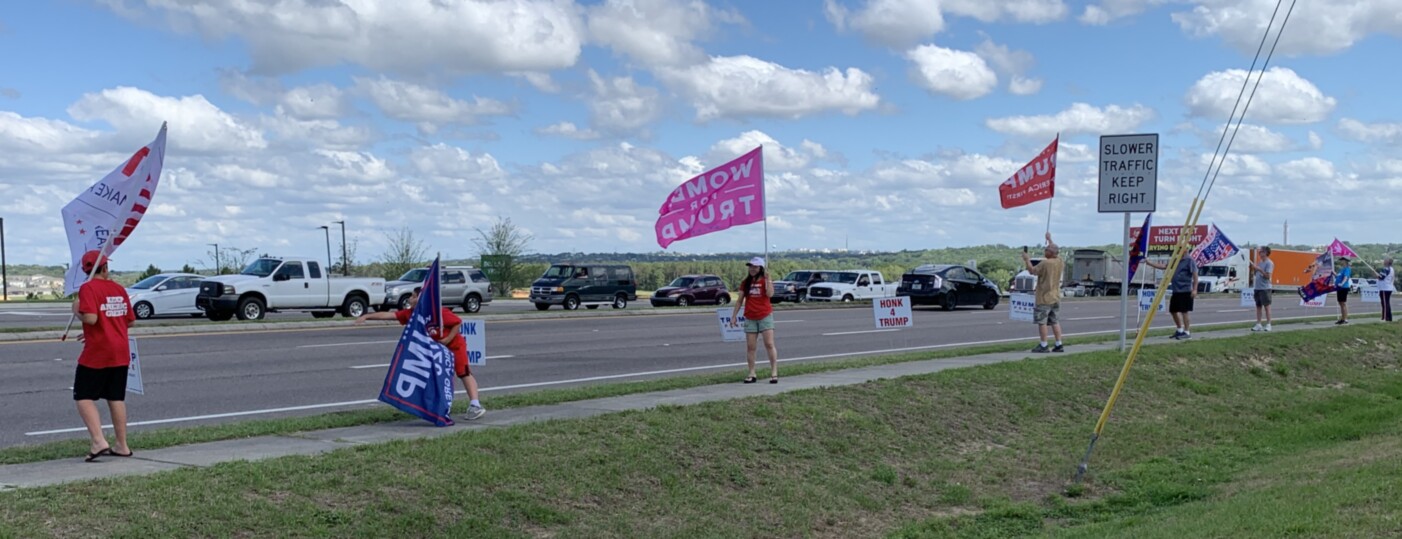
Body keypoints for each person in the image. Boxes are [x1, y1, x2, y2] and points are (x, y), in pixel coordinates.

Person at [356, 287, 485, 420]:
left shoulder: (437, 312)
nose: (410, 299)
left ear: (421, 298)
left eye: (413, 296)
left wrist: (447, 340)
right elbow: (390, 315)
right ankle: (436, 406)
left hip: (454, 346)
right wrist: (367, 316)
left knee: (463, 372)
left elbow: (457, 322)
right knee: (434, 376)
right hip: (435, 351)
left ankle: (475, 405)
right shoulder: (412, 313)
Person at [72, 250, 137, 462]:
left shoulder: (88, 288)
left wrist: (76, 311)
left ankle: (99, 440)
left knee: (83, 395)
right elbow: (129, 320)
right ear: (105, 267)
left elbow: (90, 318)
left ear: (85, 270)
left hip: (98, 351)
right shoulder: (118, 288)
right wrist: (95, 329)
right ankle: (122, 444)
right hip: (120, 349)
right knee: (115, 396)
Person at [730, 257, 778, 383]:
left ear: (760, 268)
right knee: (751, 347)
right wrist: (734, 316)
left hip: (765, 315)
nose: (752, 269)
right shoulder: (745, 282)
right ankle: (752, 373)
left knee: (769, 344)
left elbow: (770, 295)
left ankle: (774, 372)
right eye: (750, 266)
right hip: (750, 316)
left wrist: (769, 281)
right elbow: (740, 300)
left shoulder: (765, 280)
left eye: (755, 267)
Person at [1022, 232, 1065, 353]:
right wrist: (1050, 239)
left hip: (1044, 298)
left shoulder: (1045, 263)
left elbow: (1031, 271)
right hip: (1055, 296)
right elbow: (1055, 249)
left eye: (1046, 250)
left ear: (1050, 253)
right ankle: (1058, 343)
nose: (1044, 251)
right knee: (1055, 321)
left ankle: (1044, 344)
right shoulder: (1060, 261)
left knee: (1042, 322)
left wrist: (1027, 259)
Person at [1145, 255, 1198, 339]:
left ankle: (1187, 332)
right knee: (1173, 310)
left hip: (1185, 289)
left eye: (1181, 248)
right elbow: (1165, 266)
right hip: (1176, 289)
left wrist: (1195, 289)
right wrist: (1149, 263)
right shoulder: (1176, 260)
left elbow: (1195, 275)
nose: (1178, 250)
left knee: (1184, 311)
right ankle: (1179, 330)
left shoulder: (1189, 260)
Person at [1250, 247, 1274, 332]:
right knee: (1258, 306)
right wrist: (1255, 269)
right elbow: (1257, 274)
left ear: (1266, 252)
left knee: (1267, 307)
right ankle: (1258, 324)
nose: (1260, 253)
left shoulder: (1269, 263)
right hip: (1258, 287)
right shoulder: (1260, 262)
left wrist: (1260, 270)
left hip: (1265, 288)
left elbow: (1267, 276)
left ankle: (1268, 324)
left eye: (1262, 251)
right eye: (1259, 251)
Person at [1334, 257, 1353, 325]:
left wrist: (1342, 283)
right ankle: (1342, 318)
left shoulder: (1347, 269)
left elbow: (1346, 277)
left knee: (1343, 303)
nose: (1341, 261)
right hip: (1339, 287)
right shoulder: (1342, 269)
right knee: (1340, 303)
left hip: (1343, 287)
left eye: (1342, 260)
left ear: (1345, 261)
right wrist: (1334, 274)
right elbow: (1338, 277)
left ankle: (1345, 318)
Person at [1379, 257, 1395, 322]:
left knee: (1385, 304)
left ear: (1388, 262)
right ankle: (1388, 317)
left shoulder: (1385, 269)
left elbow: (1381, 277)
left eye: (1385, 260)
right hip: (1389, 288)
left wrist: (1375, 274)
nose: (1384, 261)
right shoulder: (1392, 269)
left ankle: (1385, 318)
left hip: (1384, 288)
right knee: (1386, 303)